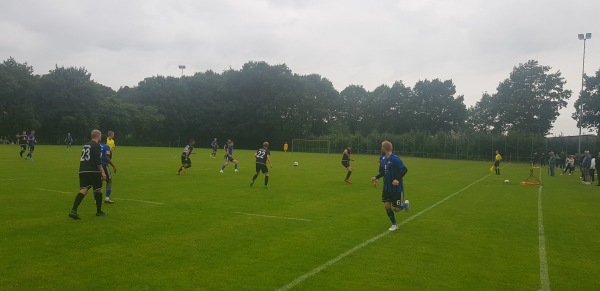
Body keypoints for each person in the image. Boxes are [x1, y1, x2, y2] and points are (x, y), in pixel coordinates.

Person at [371, 141, 409, 231]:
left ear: (384, 148)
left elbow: (404, 169)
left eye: (381, 147)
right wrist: (376, 177)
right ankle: (394, 224)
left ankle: (406, 204)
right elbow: (384, 172)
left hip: (396, 189)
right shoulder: (383, 159)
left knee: (396, 209)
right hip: (386, 188)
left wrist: (397, 179)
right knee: (387, 206)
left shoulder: (395, 159)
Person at [68, 129, 107, 220]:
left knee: (83, 190)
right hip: (93, 171)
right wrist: (102, 171)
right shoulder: (97, 145)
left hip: (83, 170)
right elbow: (97, 160)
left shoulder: (86, 145)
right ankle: (99, 211)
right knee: (98, 190)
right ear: (99, 136)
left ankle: (73, 210)